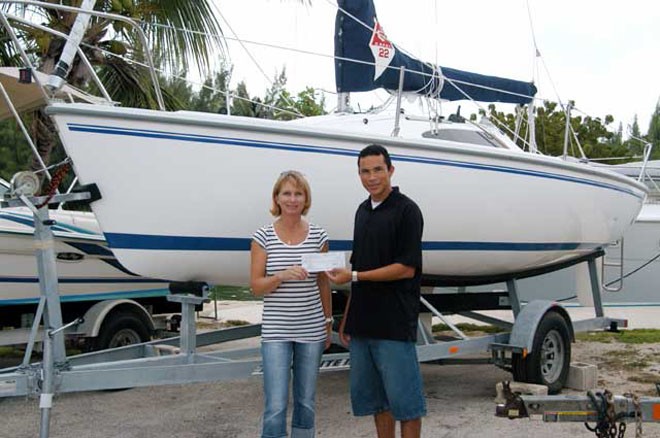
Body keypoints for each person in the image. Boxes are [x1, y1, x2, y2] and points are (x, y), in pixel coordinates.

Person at [326, 144, 426, 438]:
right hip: (363, 324)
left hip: (394, 324)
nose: (371, 177)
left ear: (390, 170)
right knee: (378, 404)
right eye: (365, 171)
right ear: (359, 174)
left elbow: (406, 268)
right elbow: (359, 262)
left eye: (377, 170)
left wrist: (354, 275)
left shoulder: (408, 211)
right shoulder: (362, 211)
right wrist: (348, 317)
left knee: (407, 405)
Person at [250, 170, 333, 438]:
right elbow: (256, 286)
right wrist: (282, 275)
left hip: (311, 330)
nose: (292, 199)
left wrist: (328, 322)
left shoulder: (319, 236)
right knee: (275, 404)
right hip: (276, 333)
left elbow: (323, 283)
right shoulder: (262, 237)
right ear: (277, 197)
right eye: (286, 193)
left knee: (306, 401)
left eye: (298, 194)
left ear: (305, 198)